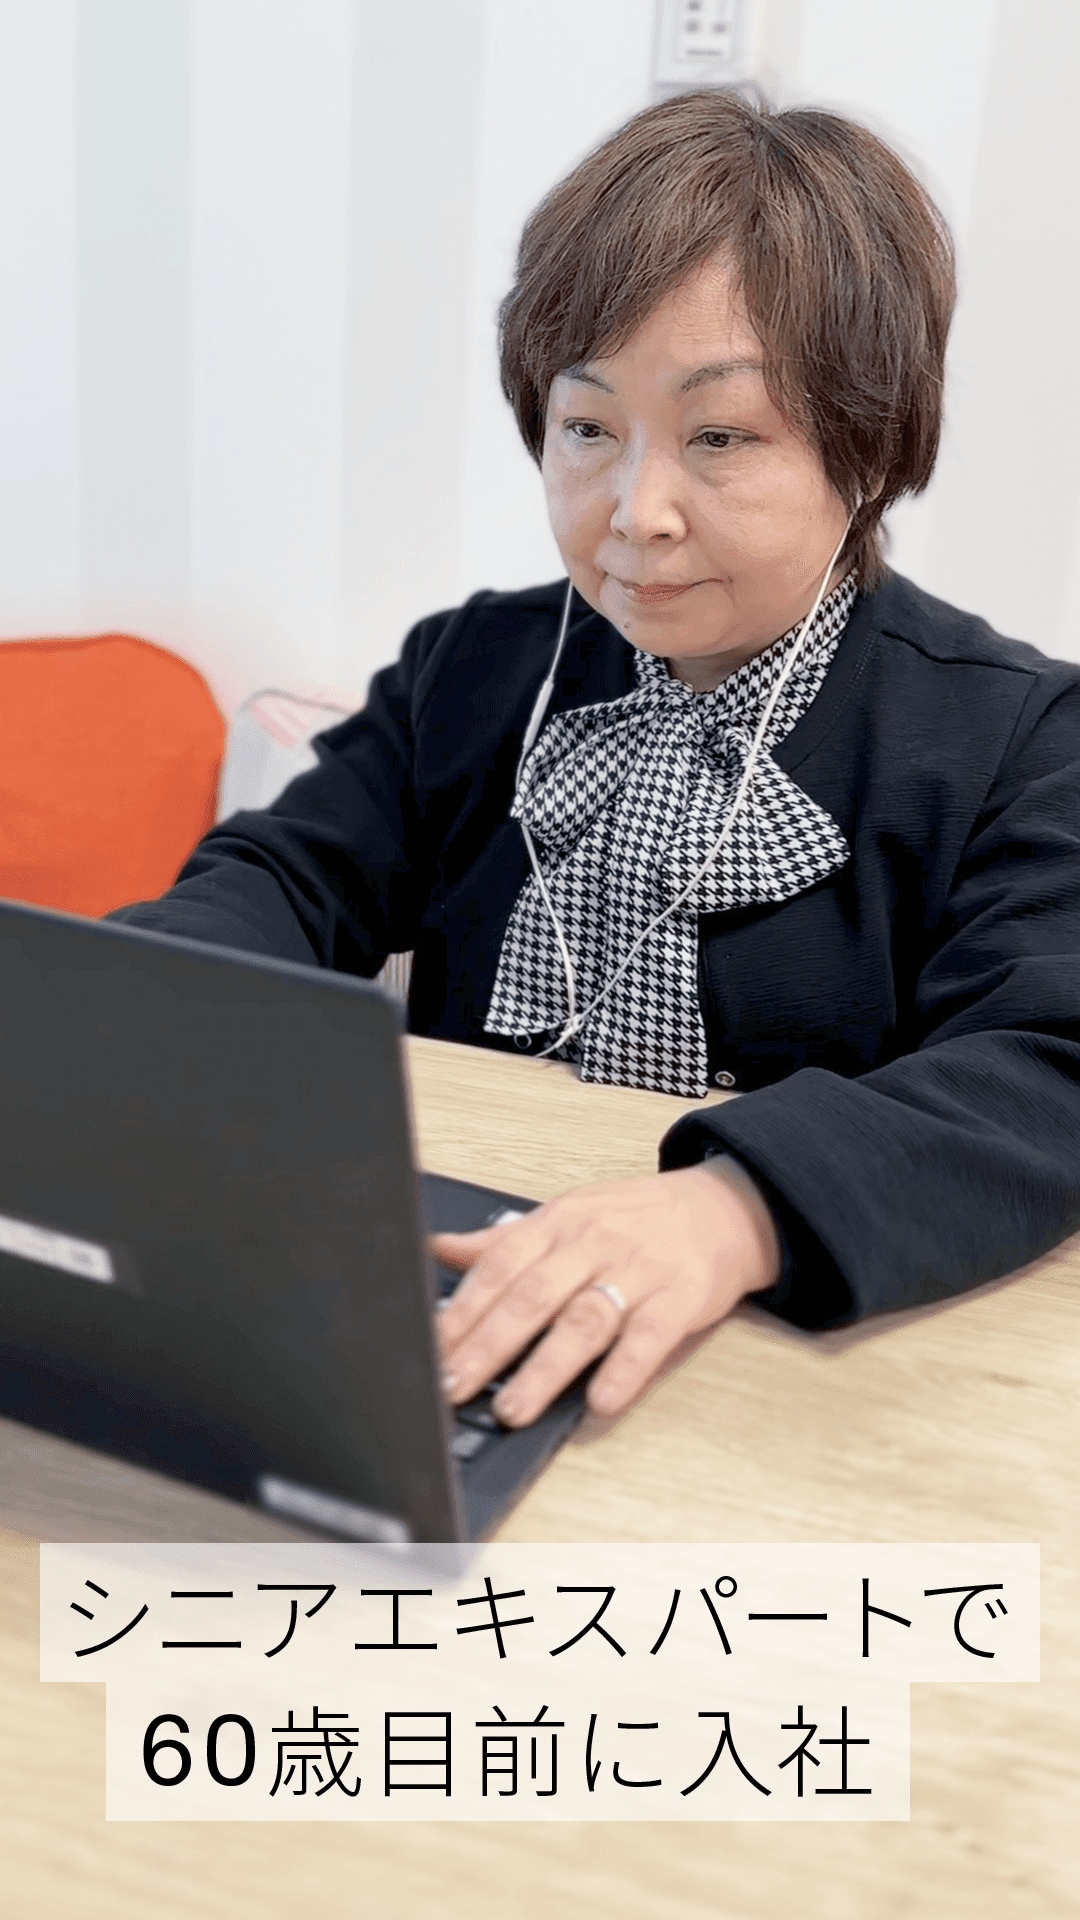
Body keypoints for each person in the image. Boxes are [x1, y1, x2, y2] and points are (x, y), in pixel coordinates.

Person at [114, 90, 1080, 1435]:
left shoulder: (1018, 738)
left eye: (721, 437)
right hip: (461, 1294)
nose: (637, 511)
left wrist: (734, 1212)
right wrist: (124, 1020)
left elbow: (1045, 1067)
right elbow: (283, 878)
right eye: (587, 429)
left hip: (788, 1361)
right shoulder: (472, 670)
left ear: (866, 451)